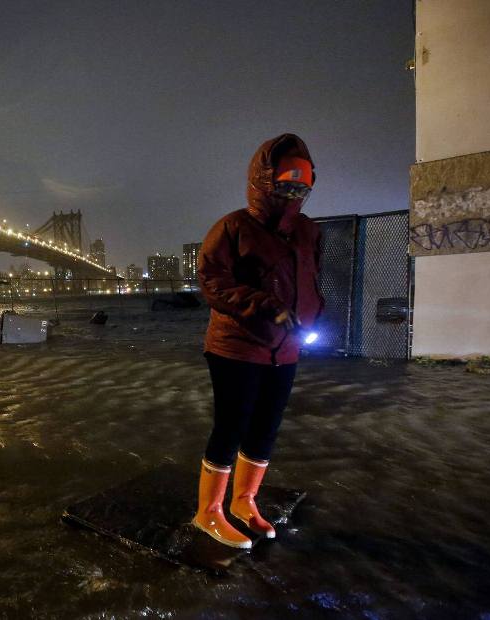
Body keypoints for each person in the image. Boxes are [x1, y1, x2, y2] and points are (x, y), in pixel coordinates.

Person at [191, 133, 324, 549]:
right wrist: (263, 304)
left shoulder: (307, 231)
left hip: (285, 348)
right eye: (287, 181)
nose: (295, 190)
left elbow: (311, 279)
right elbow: (212, 282)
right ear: (265, 180)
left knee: (267, 427)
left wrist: (314, 312)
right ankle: (208, 512)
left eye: (303, 183)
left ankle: (244, 502)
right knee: (231, 427)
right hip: (237, 346)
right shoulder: (232, 227)